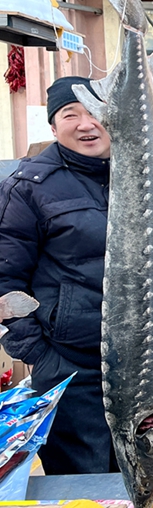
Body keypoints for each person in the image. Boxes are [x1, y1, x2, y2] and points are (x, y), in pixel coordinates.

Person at [0, 76, 117, 474]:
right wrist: (44, 360)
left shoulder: (132, 175)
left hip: (134, 361)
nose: (86, 124)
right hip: (72, 367)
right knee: (85, 484)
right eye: (72, 114)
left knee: (141, 480)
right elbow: (5, 281)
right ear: (54, 126)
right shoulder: (29, 186)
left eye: (96, 112)